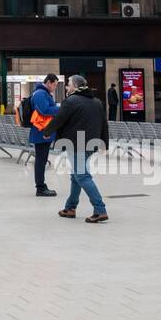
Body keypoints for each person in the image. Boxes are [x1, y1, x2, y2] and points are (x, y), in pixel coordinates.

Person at [42, 75, 109, 223]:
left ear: (76, 87)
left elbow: (59, 119)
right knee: (76, 176)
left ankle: (100, 209)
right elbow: (104, 123)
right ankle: (70, 208)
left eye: (68, 84)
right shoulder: (97, 102)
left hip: (76, 144)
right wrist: (105, 143)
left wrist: (47, 132)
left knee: (82, 176)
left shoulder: (71, 101)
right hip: (92, 144)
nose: (66, 87)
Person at [22, 74, 60, 198]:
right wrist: (59, 108)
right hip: (41, 131)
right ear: (48, 82)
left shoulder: (42, 93)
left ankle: (41, 187)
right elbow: (44, 110)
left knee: (41, 160)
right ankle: (40, 188)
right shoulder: (40, 94)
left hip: (42, 131)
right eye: (54, 84)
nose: (55, 87)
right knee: (40, 160)